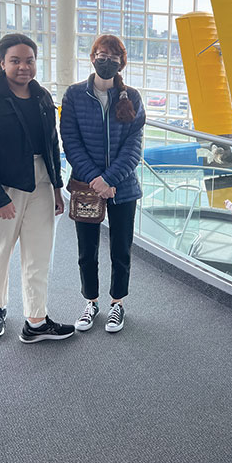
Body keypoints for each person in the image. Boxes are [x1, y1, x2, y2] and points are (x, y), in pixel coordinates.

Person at [0, 33, 72, 343]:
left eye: (29, 60)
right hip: (2, 182)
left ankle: (36, 320)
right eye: (15, 60)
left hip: (40, 180)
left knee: (39, 252)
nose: (24, 66)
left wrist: (56, 188)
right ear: (2, 62)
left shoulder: (41, 97)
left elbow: (52, 144)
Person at [61, 34, 145, 334]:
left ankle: (117, 303)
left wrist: (109, 180)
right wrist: (96, 181)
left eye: (113, 57)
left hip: (123, 188)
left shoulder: (132, 97)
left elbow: (134, 147)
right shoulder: (73, 95)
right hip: (86, 186)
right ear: (91, 57)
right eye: (101, 54)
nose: (106, 60)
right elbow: (70, 142)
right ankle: (91, 301)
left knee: (121, 250)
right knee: (87, 249)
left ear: (122, 62)